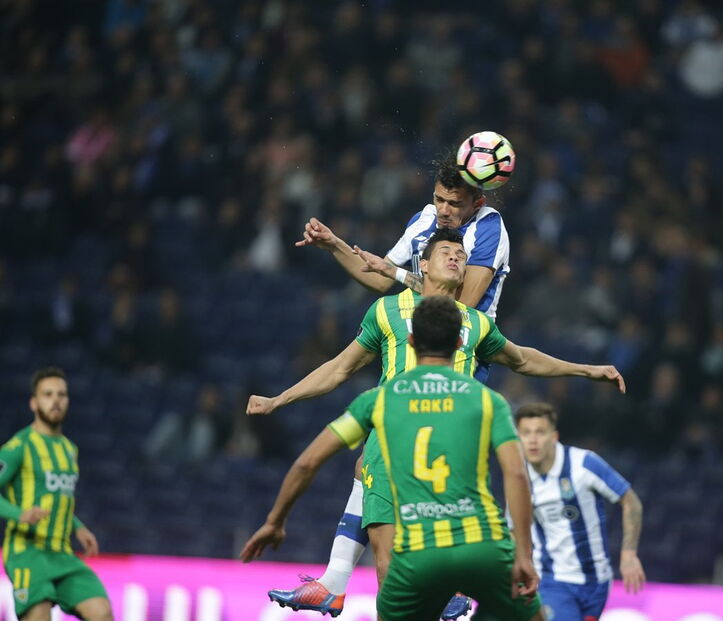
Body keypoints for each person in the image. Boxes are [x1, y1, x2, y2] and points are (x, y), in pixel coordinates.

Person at [247, 229, 625, 617]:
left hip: (447, 446)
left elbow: (523, 359)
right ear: (421, 265)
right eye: (445, 250)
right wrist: (281, 398)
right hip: (390, 441)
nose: (456, 257)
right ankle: (346, 582)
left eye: (461, 255)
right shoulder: (387, 310)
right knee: (389, 563)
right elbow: (340, 367)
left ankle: (341, 581)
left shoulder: (475, 323)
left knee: (411, 545)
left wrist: (586, 370)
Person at [240, 296, 544, 621]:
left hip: (417, 555)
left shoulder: (379, 400)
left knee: (367, 470)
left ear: (411, 342)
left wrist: (275, 522)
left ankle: (335, 579)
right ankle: (336, 580)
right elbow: (516, 474)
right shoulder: (489, 401)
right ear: (459, 343)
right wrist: (523, 551)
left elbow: (307, 463)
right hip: (482, 547)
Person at [296, 151, 510, 362]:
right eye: (439, 199)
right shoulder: (422, 220)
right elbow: (379, 279)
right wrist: (334, 245)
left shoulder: (489, 228)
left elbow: (461, 305)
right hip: (417, 340)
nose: (443, 210)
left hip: (464, 349)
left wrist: (396, 273)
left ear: (478, 203)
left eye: (454, 204)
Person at [0, 367, 113, 621]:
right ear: (34, 402)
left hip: (61, 553)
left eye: (61, 395)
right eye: (47, 394)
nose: (55, 401)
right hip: (27, 552)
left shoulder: (69, 449)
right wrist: (19, 514)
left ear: (68, 402)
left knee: (102, 612)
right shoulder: (19, 446)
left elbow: (57, 498)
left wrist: (79, 527)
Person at [515, 402, 646, 621]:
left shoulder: (583, 463)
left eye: (540, 432)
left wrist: (629, 554)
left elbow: (631, 502)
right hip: (552, 581)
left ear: (554, 436)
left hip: (598, 582)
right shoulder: (519, 479)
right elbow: (514, 530)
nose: (533, 440)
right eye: (526, 433)